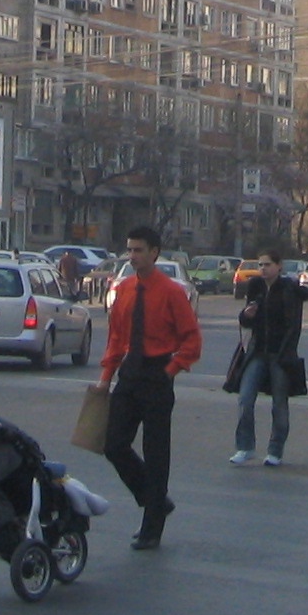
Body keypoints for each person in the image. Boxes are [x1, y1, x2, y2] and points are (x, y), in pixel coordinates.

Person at [101, 226, 202, 550]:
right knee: (114, 444)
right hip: (130, 372)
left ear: (154, 253)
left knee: (156, 453)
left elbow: (191, 339)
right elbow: (116, 337)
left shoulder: (171, 292)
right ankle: (154, 499)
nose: (132, 256)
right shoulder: (125, 289)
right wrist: (106, 377)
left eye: (138, 250)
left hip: (158, 373)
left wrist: (171, 370)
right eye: (129, 250)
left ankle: (151, 528)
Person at [230, 247, 308, 466]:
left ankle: (275, 451)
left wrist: (286, 353)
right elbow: (247, 321)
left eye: (267, 265)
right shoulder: (256, 287)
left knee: (279, 404)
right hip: (257, 352)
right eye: (260, 265)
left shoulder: (288, 289)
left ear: (278, 266)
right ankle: (245, 447)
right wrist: (246, 315)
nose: (263, 269)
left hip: (280, 355)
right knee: (245, 398)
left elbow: (294, 326)